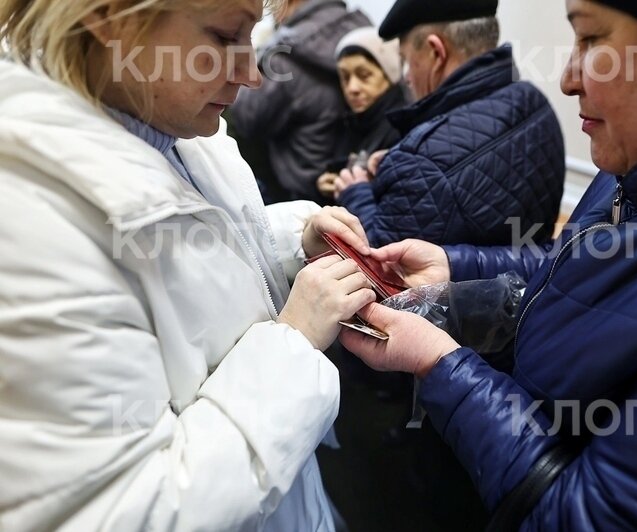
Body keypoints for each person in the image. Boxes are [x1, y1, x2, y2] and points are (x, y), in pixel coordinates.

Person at [341, 0, 637, 529]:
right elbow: (574, 263)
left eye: (592, 39)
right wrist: (454, 264)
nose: (567, 79)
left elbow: (582, 517)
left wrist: (443, 368)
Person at [0, 0, 378, 530]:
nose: (251, 73)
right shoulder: (28, 221)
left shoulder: (170, 122)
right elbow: (127, 509)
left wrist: (291, 243)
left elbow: (187, 255)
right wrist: (292, 344)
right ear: (109, 18)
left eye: (255, 34)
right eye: (226, 37)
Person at [333, 0, 565, 248]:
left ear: (436, 52)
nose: (407, 77)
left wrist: (355, 192)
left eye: (408, 62)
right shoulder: (536, 102)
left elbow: (382, 265)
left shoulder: (421, 162)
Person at [230, 0, 370, 204]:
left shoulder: (284, 55)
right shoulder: (365, 32)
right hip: (358, 187)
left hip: (301, 201)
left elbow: (245, 117)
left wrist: (261, 53)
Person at [316, 26, 409, 200]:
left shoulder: (402, 127)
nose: (352, 88)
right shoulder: (350, 122)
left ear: (390, 76)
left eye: (364, 75)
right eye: (345, 77)